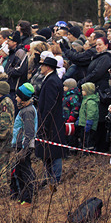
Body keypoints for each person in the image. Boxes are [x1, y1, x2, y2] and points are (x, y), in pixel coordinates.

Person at [34, 56, 66, 187]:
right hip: (50, 122)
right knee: (47, 152)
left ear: (48, 67)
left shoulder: (52, 81)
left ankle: (55, 179)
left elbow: (49, 105)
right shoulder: (51, 79)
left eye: (42, 65)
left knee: (54, 152)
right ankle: (49, 178)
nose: (40, 67)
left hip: (51, 123)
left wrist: (44, 124)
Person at [11, 83, 37, 206]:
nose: (16, 98)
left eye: (18, 96)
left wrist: (24, 149)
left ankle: (27, 200)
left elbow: (29, 131)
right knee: (20, 172)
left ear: (23, 97)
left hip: (23, 147)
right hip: (20, 145)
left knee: (26, 172)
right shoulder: (24, 110)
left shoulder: (27, 111)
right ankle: (22, 197)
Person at [78, 82, 99, 150]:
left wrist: (89, 124)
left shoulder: (91, 102)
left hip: (88, 126)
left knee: (88, 140)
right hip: (83, 124)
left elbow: (91, 114)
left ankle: (89, 153)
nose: (82, 92)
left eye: (83, 90)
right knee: (83, 140)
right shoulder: (85, 100)